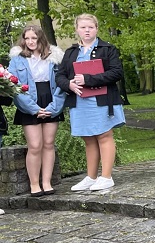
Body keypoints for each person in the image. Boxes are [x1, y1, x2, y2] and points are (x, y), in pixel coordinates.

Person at [55, 14, 126, 192]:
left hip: (102, 100)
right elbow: (60, 76)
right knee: (88, 138)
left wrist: (88, 79)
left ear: (96, 29)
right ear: (77, 29)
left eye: (91, 27)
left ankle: (106, 177)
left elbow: (117, 73)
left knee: (104, 135)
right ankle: (91, 177)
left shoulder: (107, 49)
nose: (87, 30)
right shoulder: (71, 52)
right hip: (80, 101)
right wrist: (68, 84)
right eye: (83, 27)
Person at [8, 25, 66, 196]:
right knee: (35, 145)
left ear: (41, 38)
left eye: (34, 38)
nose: (31, 41)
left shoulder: (54, 57)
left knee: (48, 144)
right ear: (23, 40)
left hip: (51, 100)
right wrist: (33, 109)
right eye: (27, 38)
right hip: (29, 102)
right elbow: (14, 86)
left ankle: (47, 183)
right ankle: (35, 184)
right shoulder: (17, 59)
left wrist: (54, 108)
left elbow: (61, 84)